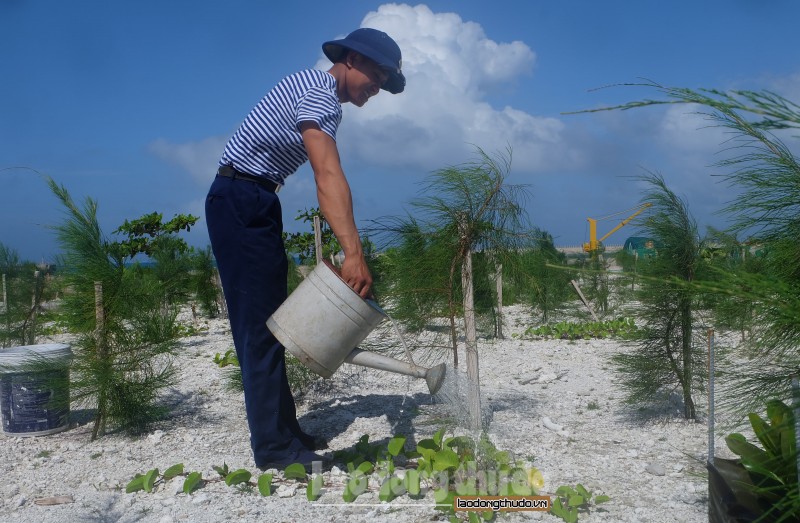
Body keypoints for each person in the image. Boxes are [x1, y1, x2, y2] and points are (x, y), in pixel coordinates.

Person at [204, 28, 405, 469]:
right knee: (259, 330)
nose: (380, 86)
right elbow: (327, 174)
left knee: (273, 324)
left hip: (253, 200)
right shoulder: (320, 94)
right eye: (378, 73)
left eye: (388, 80)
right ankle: (274, 450)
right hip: (241, 200)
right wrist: (353, 252)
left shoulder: (312, 90)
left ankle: (286, 431)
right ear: (352, 58)